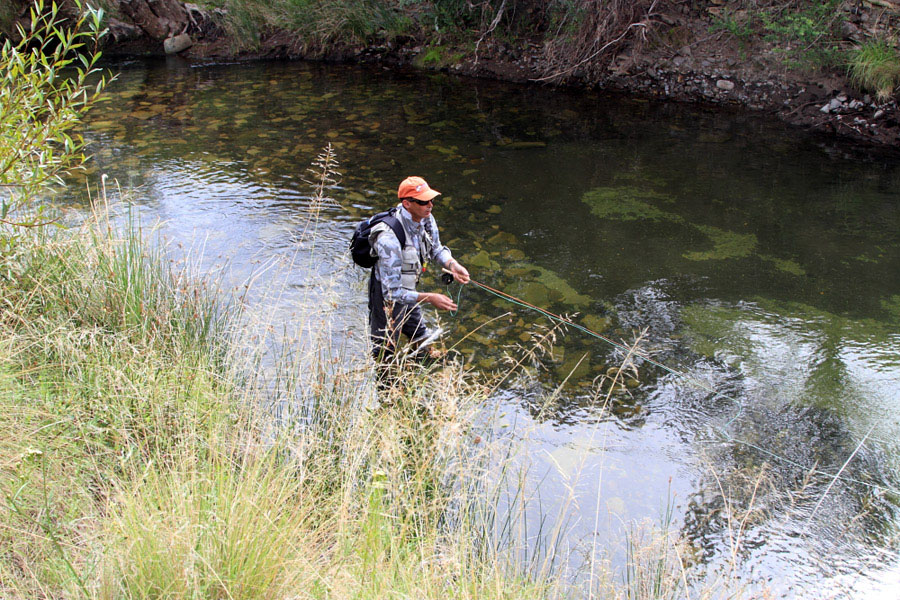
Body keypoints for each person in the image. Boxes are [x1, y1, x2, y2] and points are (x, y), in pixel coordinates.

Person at [368, 176, 469, 364]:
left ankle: (423, 363)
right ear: (406, 203)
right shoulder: (388, 239)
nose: (430, 205)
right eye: (423, 202)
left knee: (420, 334)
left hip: (409, 288)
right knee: (384, 351)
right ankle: (387, 385)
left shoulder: (426, 219)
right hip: (386, 296)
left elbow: (436, 248)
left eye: (431, 200)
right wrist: (430, 298)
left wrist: (453, 265)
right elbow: (392, 293)